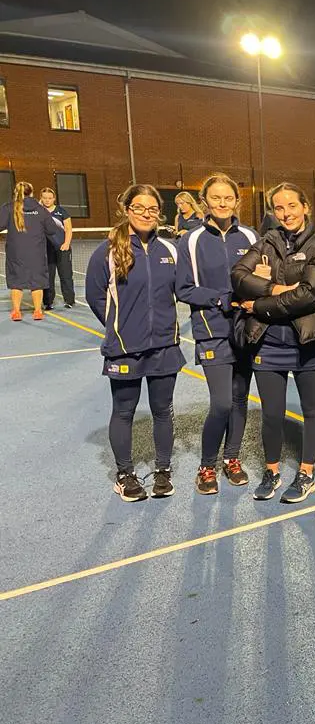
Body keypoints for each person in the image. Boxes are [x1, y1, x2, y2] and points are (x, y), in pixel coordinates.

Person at [231, 182, 315, 504]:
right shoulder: (266, 242)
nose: (286, 213)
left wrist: (259, 303)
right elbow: (238, 276)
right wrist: (274, 288)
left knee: (312, 409)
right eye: (279, 207)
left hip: (308, 341)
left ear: (305, 207)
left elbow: (308, 296)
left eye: (292, 205)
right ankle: (272, 471)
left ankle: (306, 473)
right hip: (269, 342)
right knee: (272, 414)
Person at [85, 184, 184, 501]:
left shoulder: (170, 250)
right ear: (127, 210)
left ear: (159, 213)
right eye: (139, 207)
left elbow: (184, 290)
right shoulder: (108, 251)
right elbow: (95, 296)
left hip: (164, 346)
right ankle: (125, 475)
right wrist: (121, 327)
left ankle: (163, 470)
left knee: (162, 410)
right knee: (124, 411)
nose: (145, 213)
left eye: (152, 208)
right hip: (125, 349)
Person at [176, 173, 258, 495]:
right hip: (212, 331)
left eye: (228, 198)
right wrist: (220, 299)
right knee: (221, 403)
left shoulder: (250, 236)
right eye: (216, 198)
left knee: (239, 399)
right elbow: (184, 288)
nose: (222, 203)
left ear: (237, 201)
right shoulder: (191, 240)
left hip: (246, 329)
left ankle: (232, 459)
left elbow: (261, 277)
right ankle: (207, 466)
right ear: (205, 202)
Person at [1, 182, 66, 321]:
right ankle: (37, 311)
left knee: (16, 281)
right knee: (37, 281)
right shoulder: (40, 210)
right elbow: (52, 229)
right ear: (31, 192)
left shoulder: (8, 208)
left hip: (16, 253)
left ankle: (16, 312)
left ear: (16, 192)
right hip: (36, 253)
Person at [39, 187, 76, 309]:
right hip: (45, 250)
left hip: (62, 249)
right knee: (48, 277)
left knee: (66, 276)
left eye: (50, 198)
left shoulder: (62, 211)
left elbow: (68, 229)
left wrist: (66, 243)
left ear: (54, 198)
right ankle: (48, 302)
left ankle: (69, 301)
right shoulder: (38, 212)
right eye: (45, 198)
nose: (47, 200)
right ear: (41, 198)